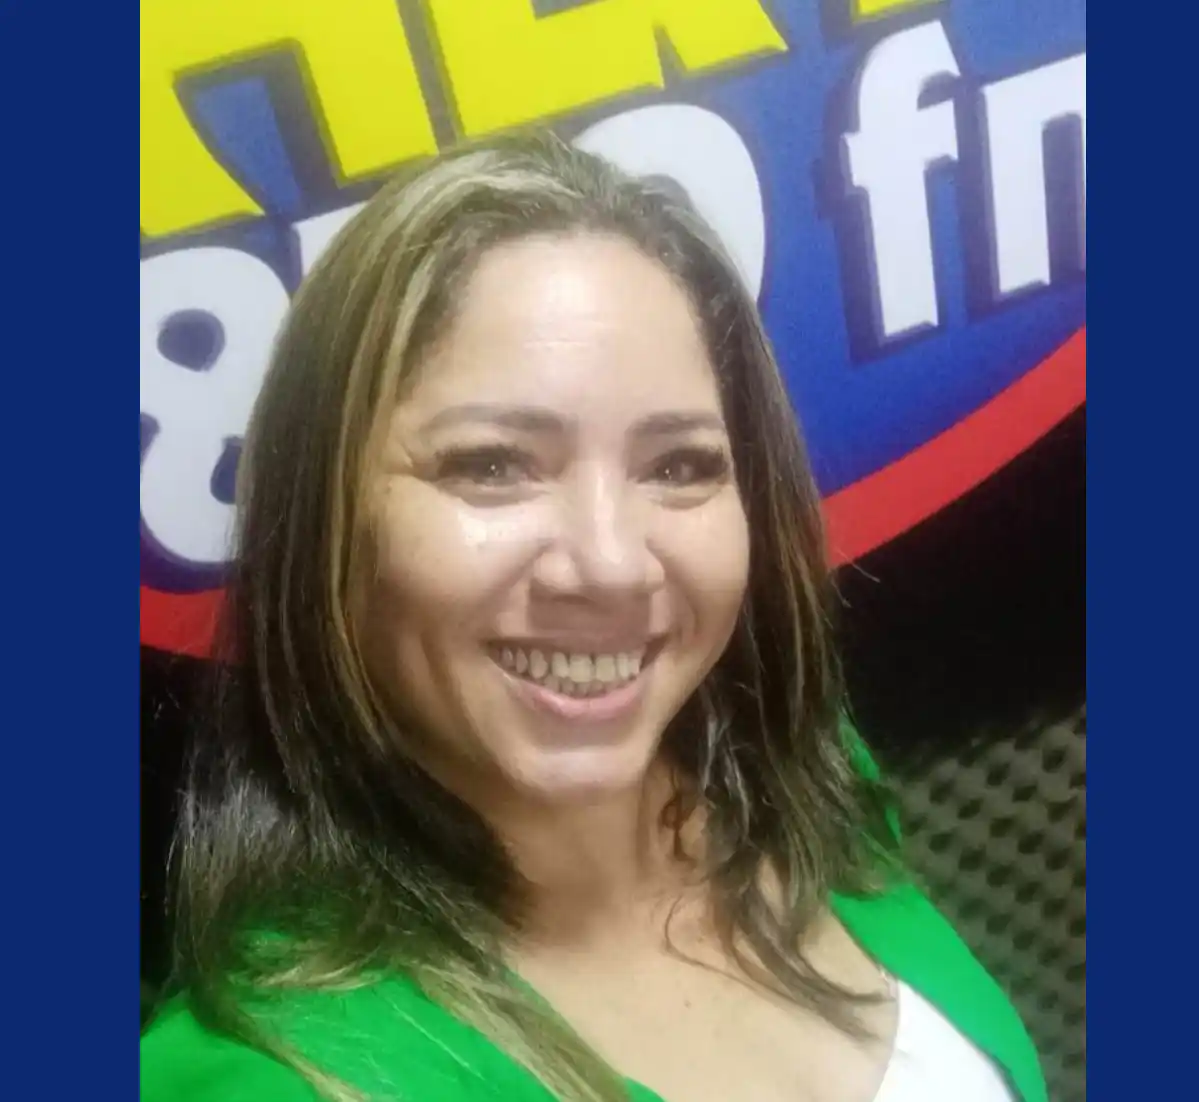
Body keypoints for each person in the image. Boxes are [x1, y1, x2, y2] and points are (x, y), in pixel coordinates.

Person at [140, 134, 1046, 1102]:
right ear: (324, 520)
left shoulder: (799, 785)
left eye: (679, 466)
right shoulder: (257, 1077)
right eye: (491, 464)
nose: (610, 564)